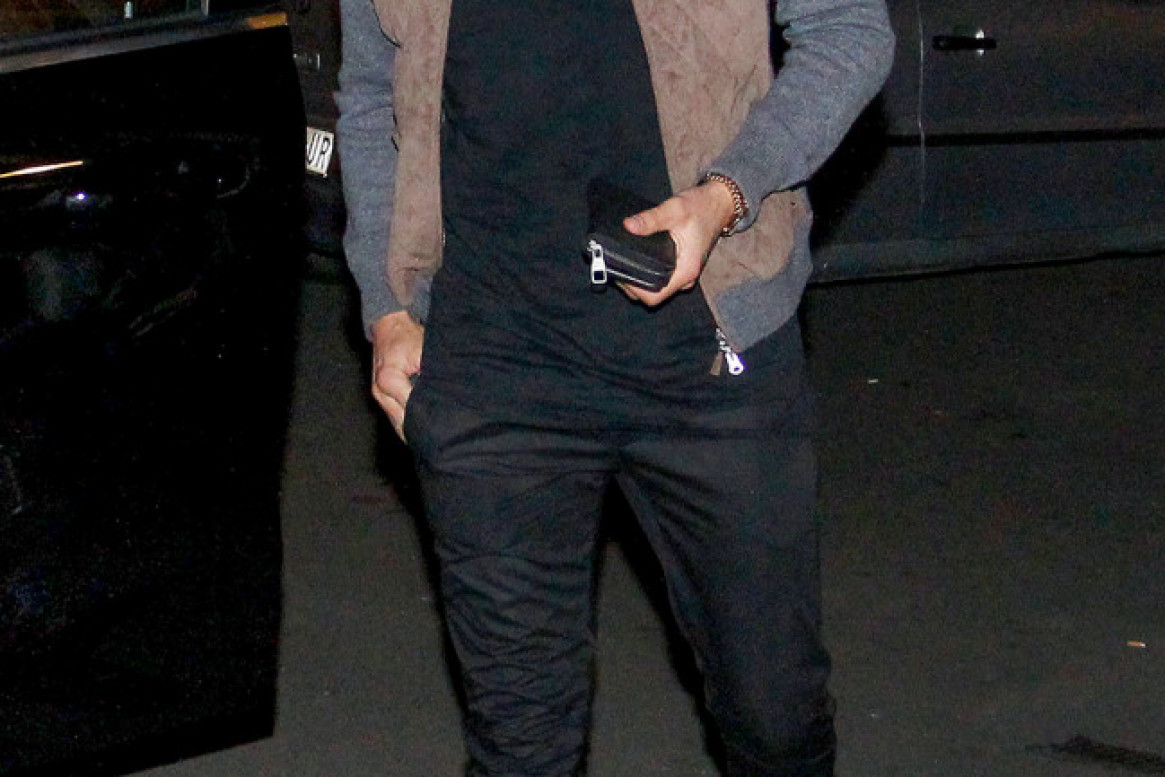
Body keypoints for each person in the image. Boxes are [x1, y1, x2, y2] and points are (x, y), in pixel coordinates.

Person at [336, 0, 894, 775]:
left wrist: (725, 194)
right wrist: (389, 305)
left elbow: (848, 32)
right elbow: (369, 91)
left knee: (774, 717)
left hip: (706, 365)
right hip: (491, 364)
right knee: (519, 742)